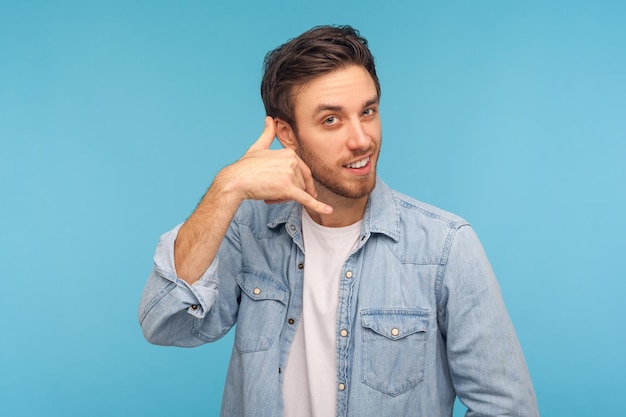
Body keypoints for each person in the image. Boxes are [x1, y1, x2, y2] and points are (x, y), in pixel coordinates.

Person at [138, 25, 539, 417]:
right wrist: (227, 187)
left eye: (368, 111)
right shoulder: (249, 230)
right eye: (331, 120)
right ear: (286, 134)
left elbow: (508, 407)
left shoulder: (445, 247)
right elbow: (165, 323)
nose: (361, 139)